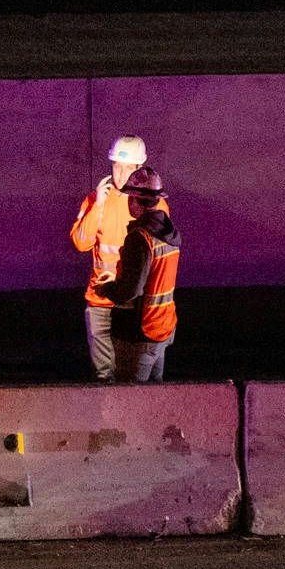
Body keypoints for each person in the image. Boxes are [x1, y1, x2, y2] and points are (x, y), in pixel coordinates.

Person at [70, 134, 145, 382]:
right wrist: (98, 206)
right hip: (99, 299)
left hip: (131, 303)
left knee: (129, 376)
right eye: (116, 166)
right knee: (103, 377)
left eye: (127, 168)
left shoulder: (149, 205)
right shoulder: (96, 199)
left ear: (139, 169)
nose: (121, 174)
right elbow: (81, 242)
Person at [101, 167, 180, 383]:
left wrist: (106, 289)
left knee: (132, 401)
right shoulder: (168, 233)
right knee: (153, 402)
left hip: (139, 334)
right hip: (162, 328)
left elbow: (130, 290)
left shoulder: (140, 238)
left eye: (130, 198)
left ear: (137, 201)